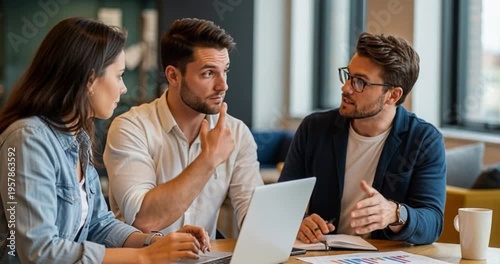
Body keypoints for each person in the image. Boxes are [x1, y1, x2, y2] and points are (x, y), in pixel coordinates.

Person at [0, 17, 210, 263]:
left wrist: (156, 241)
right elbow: (39, 252)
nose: (122, 88)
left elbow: (100, 224)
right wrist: (143, 257)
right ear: (90, 80)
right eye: (119, 75)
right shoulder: (27, 140)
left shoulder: (78, 137)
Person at [278, 32, 446, 245]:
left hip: (386, 258)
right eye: (348, 76)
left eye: (360, 83)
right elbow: (282, 203)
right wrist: (299, 223)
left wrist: (395, 213)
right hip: (321, 255)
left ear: (393, 95)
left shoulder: (424, 140)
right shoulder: (314, 128)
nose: (346, 88)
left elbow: (433, 222)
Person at [103, 18, 263, 238]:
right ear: (173, 76)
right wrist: (209, 160)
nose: (223, 85)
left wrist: (288, 228)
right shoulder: (131, 128)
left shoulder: (236, 133)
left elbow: (256, 218)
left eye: (224, 70)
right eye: (208, 73)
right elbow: (145, 220)